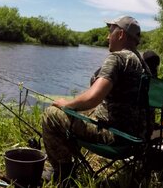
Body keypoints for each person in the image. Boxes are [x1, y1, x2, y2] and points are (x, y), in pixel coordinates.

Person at [41, 16, 151, 184]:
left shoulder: (118, 58)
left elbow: (93, 97)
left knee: (51, 114)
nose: (108, 37)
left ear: (120, 34)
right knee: (79, 112)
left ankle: (63, 173)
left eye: (110, 32)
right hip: (139, 139)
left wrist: (66, 104)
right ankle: (65, 159)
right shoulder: (144, 66)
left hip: (116, 139)